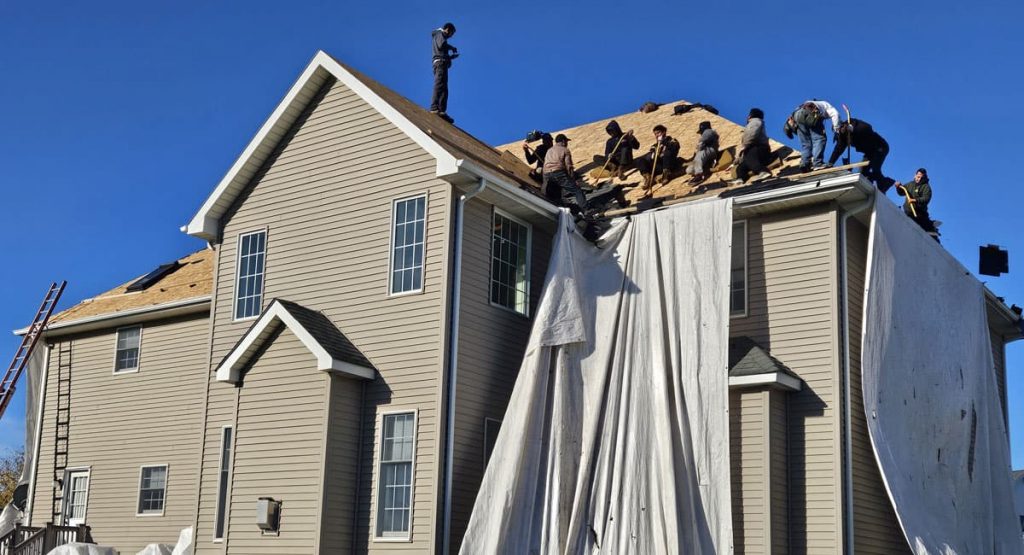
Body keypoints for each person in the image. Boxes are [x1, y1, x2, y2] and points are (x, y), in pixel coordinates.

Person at [828, 118, 895, 192]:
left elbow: (868, 128)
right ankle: (878, 183)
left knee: (875, 168)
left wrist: (853, 130)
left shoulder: (855, 124)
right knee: (862, 173)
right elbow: (837, 150)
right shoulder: (843, 138)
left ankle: (884, 184)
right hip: (869, 152)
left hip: (879, 147)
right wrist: (830, 163)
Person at [787, 99, 841, 172]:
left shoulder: (811, 103)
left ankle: (805, 164)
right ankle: (817, 163)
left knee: (806, 144)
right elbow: (835, 114)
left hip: (796, 115)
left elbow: (794, 115)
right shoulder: (827, 106)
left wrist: (789, 127)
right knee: (819, 139)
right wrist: (837, 129)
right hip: (810, 113)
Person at [543, 134, 588, 211]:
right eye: (566, 142)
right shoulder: (565, 150)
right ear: (563, 141)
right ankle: (586, 210)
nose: (567, 144)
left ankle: (559, 211)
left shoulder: (549, 150)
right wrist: (573, 180)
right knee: (577, 190)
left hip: (547, 175)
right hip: (558, 173)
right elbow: (569, 167)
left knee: (556, 196)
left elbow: (545, 166)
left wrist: (545, 182)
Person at [735, 108, 773, 182]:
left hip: (760, 149)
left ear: (750, 116)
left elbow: (752, 134)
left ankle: (764, 171)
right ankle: (740, 179)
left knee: (751, 158)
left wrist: (745, 145)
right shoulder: (753, 123)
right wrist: (737, 161)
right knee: (741, 167)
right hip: (754, 151)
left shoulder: (755, 122)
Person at [430, 23, 458, 121]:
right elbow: (441, 45)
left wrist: (450, 57)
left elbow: (441, 50)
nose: (451, 35)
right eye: (451, 33)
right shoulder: (439, 34)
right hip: (440, 63)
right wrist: (452, 48)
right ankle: (434, 108)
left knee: (444, 88)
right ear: (447, 29)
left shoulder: (440, 36)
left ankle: (441, 111)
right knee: (439, 85)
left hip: (442, 63)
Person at [894, 168, 935, 234]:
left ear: (924, 177)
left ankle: (931, 229)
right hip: (908, 212)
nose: (918, 179)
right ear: (915, 175)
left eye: (921, 177)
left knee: (922, 224)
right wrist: (898, 187)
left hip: (919, 213)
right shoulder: (910, 184)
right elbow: (902, 192)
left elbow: (926, 199)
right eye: (918, 176)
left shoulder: (926, 187)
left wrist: (915, 200)